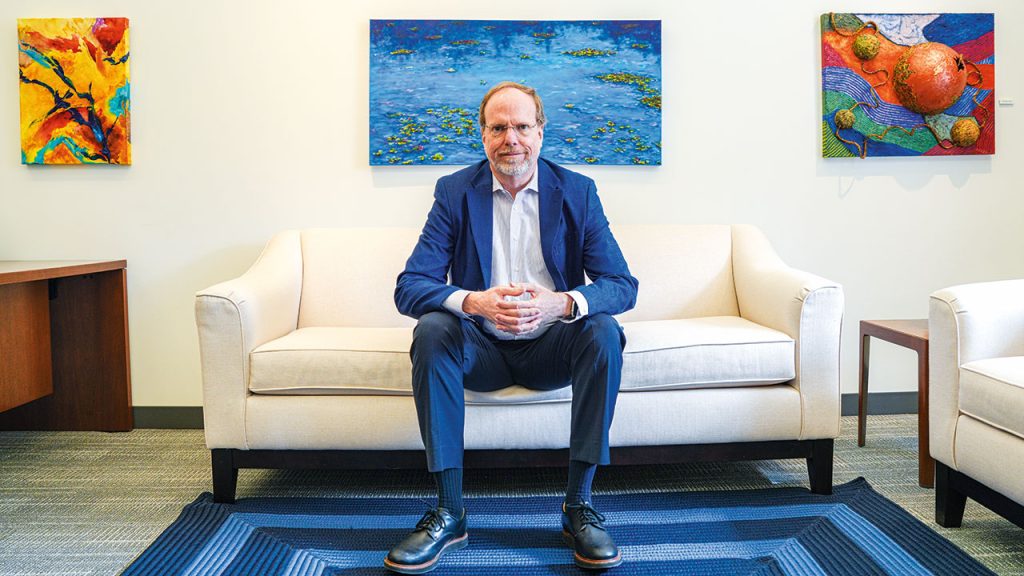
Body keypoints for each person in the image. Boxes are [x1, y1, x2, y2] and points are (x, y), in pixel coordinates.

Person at [387, 81, 638, 573]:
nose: (511, 139)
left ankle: (578, 506)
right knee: (433, 328)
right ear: (482, 135)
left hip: (550, 350)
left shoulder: (577, 192)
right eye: (498, 127)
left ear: (541, 131)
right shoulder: (454, 192)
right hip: (478, 350)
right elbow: (409, 286)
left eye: (522, 126)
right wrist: (473, 302)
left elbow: (621, 284)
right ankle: (449, 509)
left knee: (603, 329)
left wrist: (561, 303)